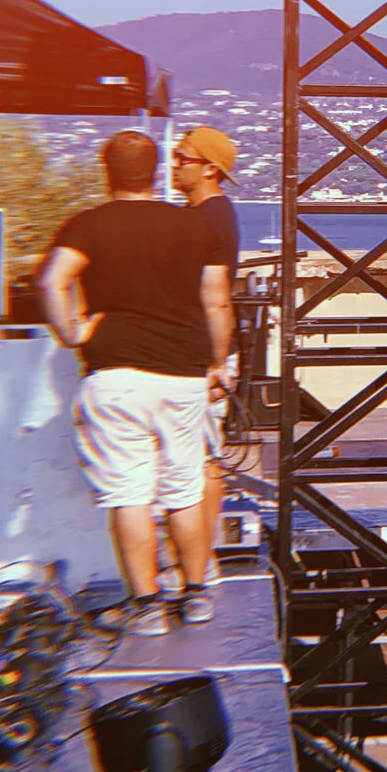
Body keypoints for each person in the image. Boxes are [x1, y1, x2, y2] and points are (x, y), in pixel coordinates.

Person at [40, 130, 232, 631]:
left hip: (115, 375)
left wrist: (71, 333)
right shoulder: (193, 228)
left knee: (130, 495)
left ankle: (146, 606)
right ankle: (195, 595)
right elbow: (216, 302)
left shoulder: (87, 225)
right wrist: (215, 361)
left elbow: (51, 281)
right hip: (183, 375)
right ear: (157, 171)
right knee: (184, 490)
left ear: (107, 171)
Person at [169, 124, 242, 588]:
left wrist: (217, 364)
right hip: (194, 353)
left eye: (183, 158)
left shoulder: (208, 218)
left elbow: (217, 299)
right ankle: (196, 554)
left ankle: (199, 558)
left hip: (201, 357)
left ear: (210, 168)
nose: (175, 164)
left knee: (202, 461)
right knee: (198, 458)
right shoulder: (208, 215)